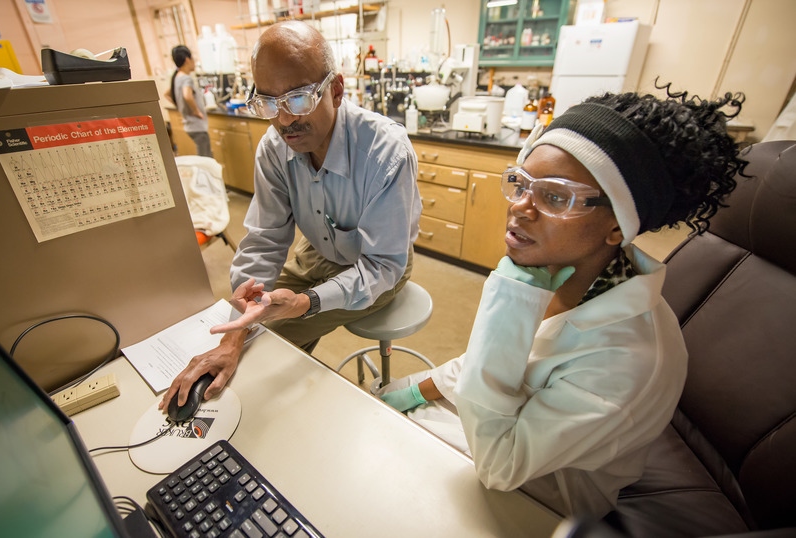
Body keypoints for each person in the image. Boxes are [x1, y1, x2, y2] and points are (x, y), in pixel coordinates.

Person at [378, 84, 748, 517]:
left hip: (537, 496)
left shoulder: (629, 359)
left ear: (618, 227)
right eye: (520, 184)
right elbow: (491, 363)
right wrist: (410, 393)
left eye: (555, 197)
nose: (521, 207)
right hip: (493, 426)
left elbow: (500, 466)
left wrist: (509, 307)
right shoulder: (566, 276)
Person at [160, 22, 421, 412]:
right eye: (267, 103)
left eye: (298, 99)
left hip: (379, 266)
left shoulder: (385, 152)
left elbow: (382, 264)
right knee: (244, 336)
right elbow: (265, 240)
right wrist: (232, 337)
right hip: (316, 250)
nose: (284, 121)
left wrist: (306, 302)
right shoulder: (273, 148)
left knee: (267, 344)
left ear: (336, 89)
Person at [165, 45, 212, 158]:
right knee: (205, 158)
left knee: (203, 156)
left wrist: (181, 107)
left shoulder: (177, 77)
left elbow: (167, 94)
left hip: (189, 124)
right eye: (193, 59)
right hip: (196, 125)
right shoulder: (186, 78)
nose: (194, 62)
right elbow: (187, 96)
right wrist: (196, 111)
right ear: (187, 60)